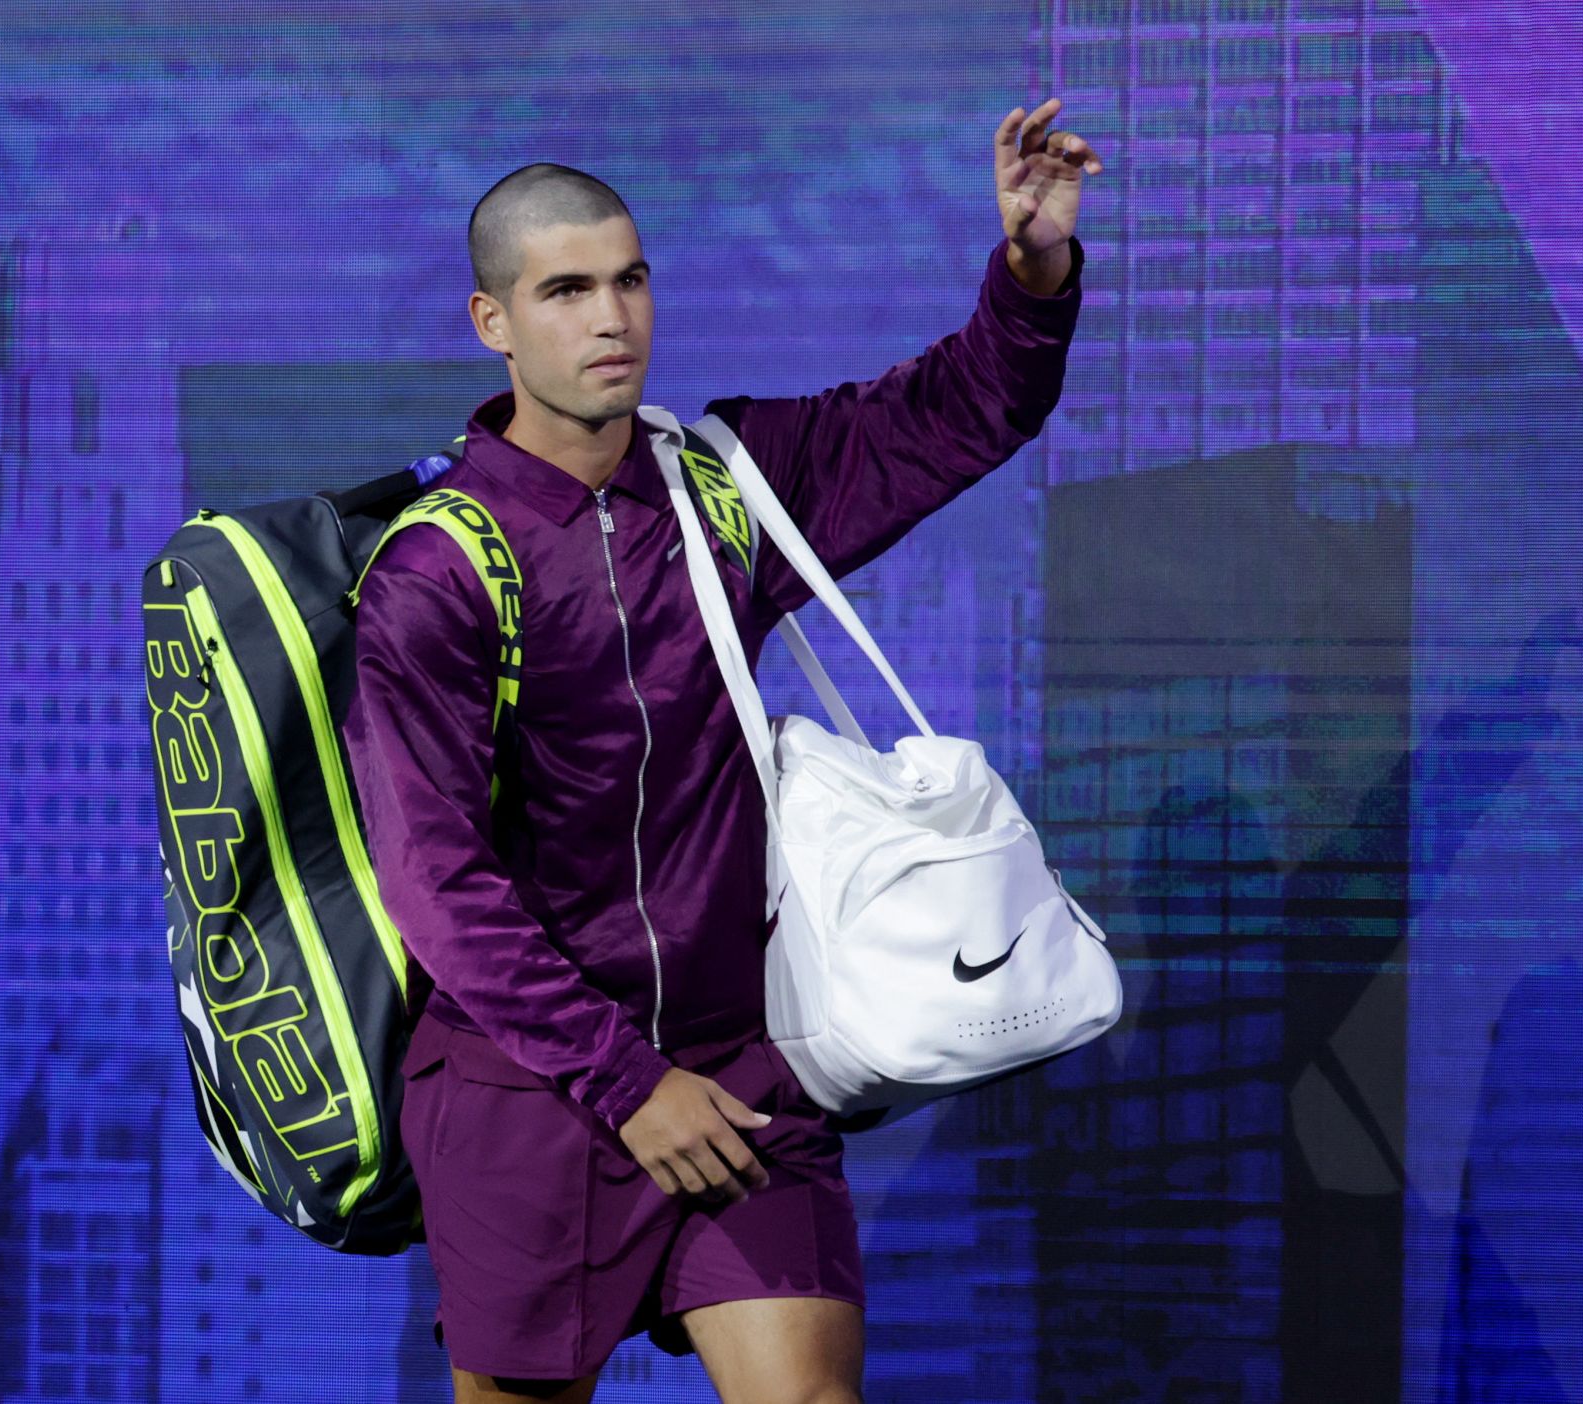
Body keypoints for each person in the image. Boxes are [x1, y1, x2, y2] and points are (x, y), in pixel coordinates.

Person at [342, 96, 1101, 1404]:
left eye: (629, 281)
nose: (611, 318)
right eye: (566, 291)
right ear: (493, 322)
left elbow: (960, 411)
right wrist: (625, 1083)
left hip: (738, 1066)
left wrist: (1034, 270)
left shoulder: (723, 486)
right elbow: (438, 884)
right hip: (531, 1096)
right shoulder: (437, 571)